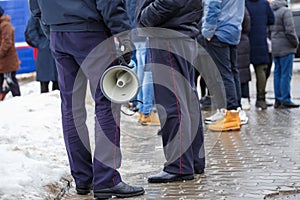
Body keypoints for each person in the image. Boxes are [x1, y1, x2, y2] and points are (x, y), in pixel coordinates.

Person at [29, 0, 145, 199]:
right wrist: (124, 37)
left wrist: (50, 29)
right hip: (91, 32)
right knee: (107, 102)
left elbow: (35, 6)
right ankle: (106, 180)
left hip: (58, 33)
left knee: (71, 108)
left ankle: (83, 179)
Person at [136, 0, 205, 183]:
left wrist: (145, 17)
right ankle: (193, 160)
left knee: (173, 102)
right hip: (180, 34)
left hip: (169, 37)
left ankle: (180, 165)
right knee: (186, 100)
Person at [201, 0, 246, 131]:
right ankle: (235, 110)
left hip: (219, 32)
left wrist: (207, 31)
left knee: (223, 74)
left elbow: (213, 5)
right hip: (233, 30)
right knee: (232, 72)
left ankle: (231, 114)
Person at [270, 0, 300, 108]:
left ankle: (278, 99)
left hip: (275, 47)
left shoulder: (271, 11)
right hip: (286, 47)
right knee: (286, 74)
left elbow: (268, 30)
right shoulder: (286, 11)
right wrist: (296, 43)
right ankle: (285, 99)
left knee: (277, 74)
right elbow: (290, 31)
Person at [246, 0, 275, 110]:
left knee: (243, 71)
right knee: (261, 71)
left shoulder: (244, 3)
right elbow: (272, 20)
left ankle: (245, 98)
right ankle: (261, 99)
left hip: (246, 42)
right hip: (261, 42)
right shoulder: (264, 4)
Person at [25, 16, 59, 93]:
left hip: (56, 47)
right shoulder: (37, 13)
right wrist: (40, 43)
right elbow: (31, 30)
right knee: (44, 82)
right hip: (44, 50)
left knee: (58, 81)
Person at [0, 6, 21, 100]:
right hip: (2, 61)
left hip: (7, 61)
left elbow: (7, 43)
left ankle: (18, 99)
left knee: (11, 81)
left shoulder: (5, 26)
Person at [237, 7, 252, 110]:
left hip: (233, 40)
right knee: (244, 71)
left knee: (234, 72)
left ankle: (238, 99)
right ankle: (245, 98)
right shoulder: (243, 9)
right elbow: (247, 26)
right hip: (243, 41)